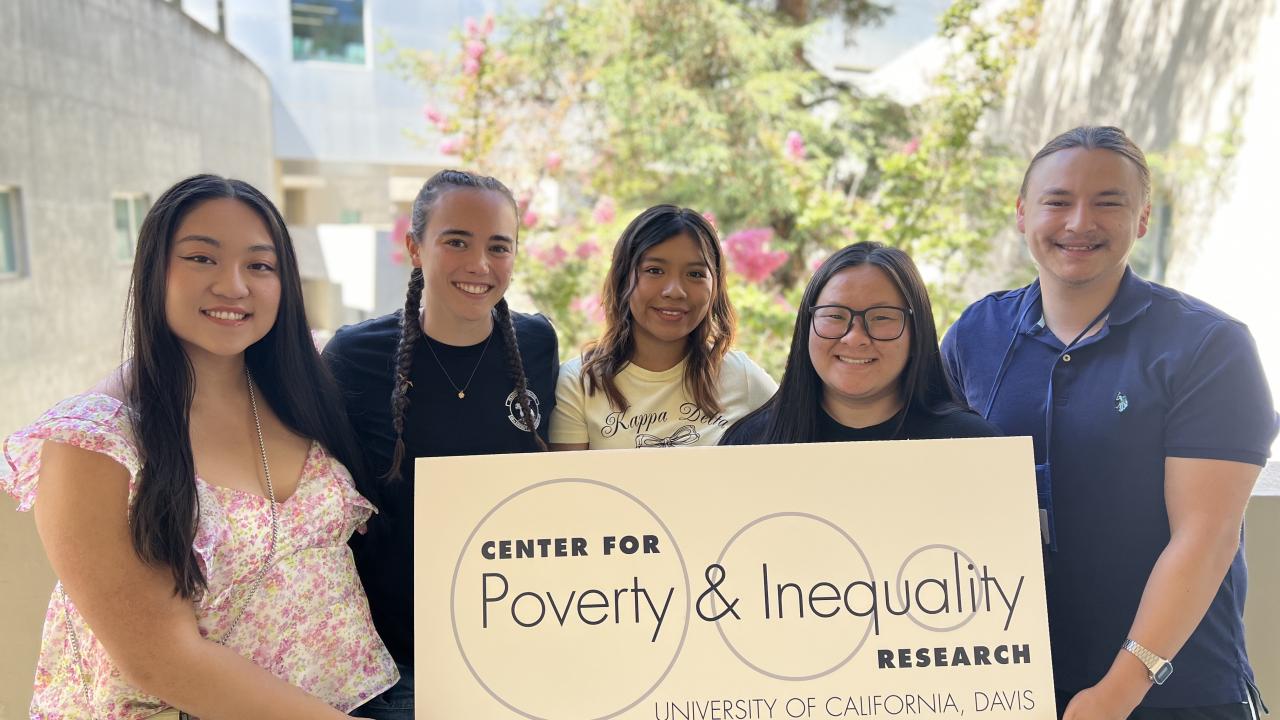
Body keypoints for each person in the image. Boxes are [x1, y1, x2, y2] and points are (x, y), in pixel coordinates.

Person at [0, 175, 396, 718]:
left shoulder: (300, 388)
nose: (233, 286)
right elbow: (162, 661)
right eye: (201, 258)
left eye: (260, 265)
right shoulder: (93, 441)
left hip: (358, 696)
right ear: (153, 270)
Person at [941, 126, 1275, 719]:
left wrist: (1116, 693)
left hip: (1177, 695)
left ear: (1142, 218)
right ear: (1022, 213)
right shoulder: (977, 333)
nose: (1079, 223)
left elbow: (1205, 536)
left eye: (1108, 202)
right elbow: (929, 486)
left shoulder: (1208, 346)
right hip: (1016, 684)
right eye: (1057, 201)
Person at [323, 169, 558, 719]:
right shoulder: (354, 357)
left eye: (498, 246)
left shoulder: (537, 344)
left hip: (515, 647)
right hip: (395, 667)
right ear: (415, 248)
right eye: (457, 241)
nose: (479, 264)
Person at [721, 241, 995, 445]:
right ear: (807, 326)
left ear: (916, 333)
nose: (855, 337)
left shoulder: (973, 445)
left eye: (881, 317)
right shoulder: (751, 444)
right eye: (835, 316)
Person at [549, 204, 775, 450]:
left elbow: (797, 447)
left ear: (715, 286)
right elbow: (569, 475)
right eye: (654, 270)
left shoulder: (742, 376)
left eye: (695, 274)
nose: (674, 291)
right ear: (623, 279)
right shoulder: (580, 382)